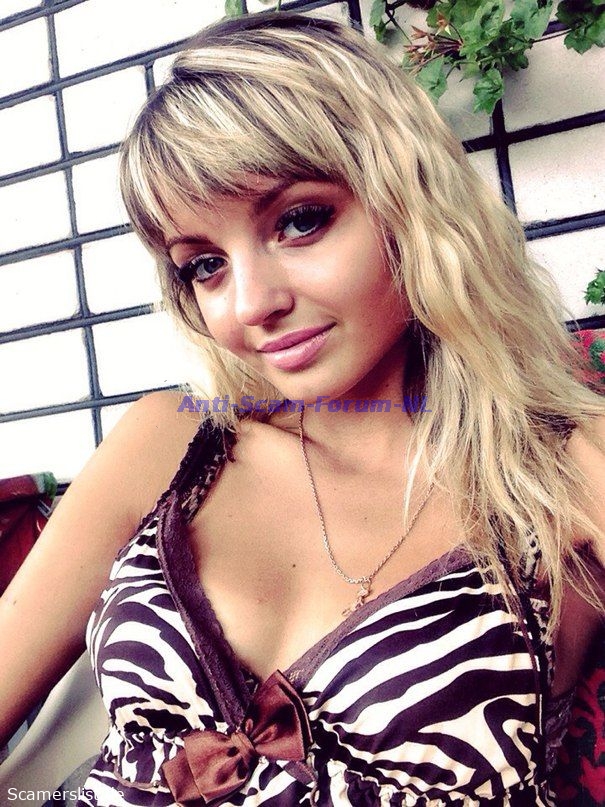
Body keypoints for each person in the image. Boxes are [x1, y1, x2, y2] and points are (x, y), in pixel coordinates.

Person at [1, 10, 604, 806]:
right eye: (204, 265)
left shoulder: (565, 467)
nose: (250, 304)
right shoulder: (168, 441)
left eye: (299, 220)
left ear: (411, 203)